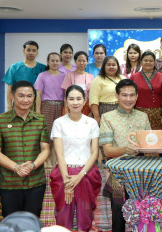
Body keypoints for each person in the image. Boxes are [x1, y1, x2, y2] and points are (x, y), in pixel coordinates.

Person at [0, 80, 50, 217]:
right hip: (9, 184)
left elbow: (45, 149)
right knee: (11, 223)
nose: (25, 99)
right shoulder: (0, 120)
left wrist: (33, 165)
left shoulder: (40, 120)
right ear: (12, 97)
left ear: (34, 98)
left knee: (32, 222)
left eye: (29, 96)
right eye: (21, 96)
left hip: (36, 183)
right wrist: (17, 167)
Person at [99, 79, 151, 232]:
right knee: (118, 213)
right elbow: (107, 151)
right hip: (117, 175)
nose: (128, 99)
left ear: (137, 96)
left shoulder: (143, 117)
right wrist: (125, 150)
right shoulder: (107, 117)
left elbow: (150, 146)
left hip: (141, 173)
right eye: (124, 95)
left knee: (143, 214)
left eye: (132, 95)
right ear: (117, 96)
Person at [50, 85, 101, 232]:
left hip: (86, 173)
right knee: (63, 215)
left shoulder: (91, 123)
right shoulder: (59, 123)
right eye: (71, 99)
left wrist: (80, 176)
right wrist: (67, 183)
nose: (75, 102)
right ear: (65, 101)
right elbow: (59, 154)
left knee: (85, 215)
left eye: (79, 98)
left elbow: (94, 153)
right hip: (63, 173)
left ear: (85, 100)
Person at [34, 52, 65, 226]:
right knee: (45, 136)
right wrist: (38, 111)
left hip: (60, 106)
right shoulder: (42, 75)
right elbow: (38, 94)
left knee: (58, 136)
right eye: (52, 60)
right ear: (48, 62)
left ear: (60, 62)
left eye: (57, 60)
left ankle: (56, 161)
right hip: (45, 106)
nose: (55, 62)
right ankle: (46, 163)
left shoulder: (64, 75)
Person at [130, 51, 162, 130]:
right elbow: (130, 96)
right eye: (145, 60)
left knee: (155, 138)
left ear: (154, 62)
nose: (148, 62)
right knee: (139, 137)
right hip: (138, 113)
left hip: (157, 114)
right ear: (141, 62)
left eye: (151, 61)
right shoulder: (134, 77)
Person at [3, 40, 46, 111]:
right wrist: (9, 106)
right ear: (24, 51)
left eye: (34, 50)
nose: (31, 52)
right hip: (18, 102)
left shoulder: (43, 68)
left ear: (37, 52)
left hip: (36, 104)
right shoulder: (14, 67)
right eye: (28, 50)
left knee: (35, 122)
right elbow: (10, 88)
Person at [89, 56, 125, 126]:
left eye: (114, 65)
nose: (111, 67)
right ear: (104, 67)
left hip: (121, 110)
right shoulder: (98, 80)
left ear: (117, 66)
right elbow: (93, 100)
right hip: (104, 110)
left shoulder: (123, 78)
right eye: (108, 65)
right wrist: (97, 117)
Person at [61, 51, 94, 116]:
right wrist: (66, 108)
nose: (82, 63)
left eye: (84, 61)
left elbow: (92, 95)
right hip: (71, 104)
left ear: (87, 62)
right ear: (75, 61)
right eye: (79, 60)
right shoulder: (69, 75)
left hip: (86, 106)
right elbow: (66, 94)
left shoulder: (90, 76)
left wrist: (92, 110)